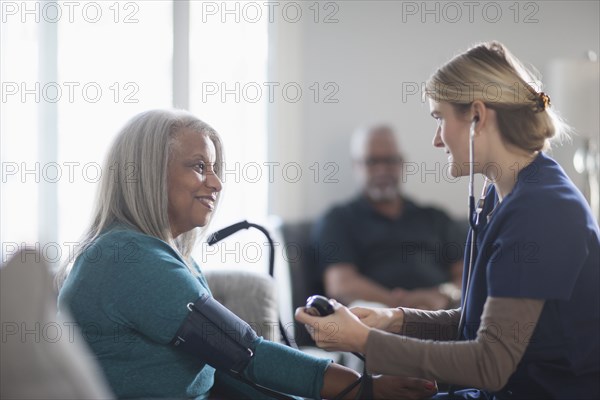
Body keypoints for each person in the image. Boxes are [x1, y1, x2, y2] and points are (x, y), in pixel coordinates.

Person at [55, 109, 438, 400]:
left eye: (216, 168)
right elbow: (245, 352)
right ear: (150, 174)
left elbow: (226, 367)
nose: (217, 182)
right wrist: (364, 389)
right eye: (199, 167)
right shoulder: (129, 259)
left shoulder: (159, 256)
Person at [296, 41, 600, 399]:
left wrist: (365, 340)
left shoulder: (542, 210)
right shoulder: (500, 196)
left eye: (439, 118)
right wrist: (393, 320)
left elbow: (490, 362)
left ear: (477, 117)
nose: (437, 140)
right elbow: (480, 324)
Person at [313, 125, 465, 310]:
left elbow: (466, 276)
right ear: (356, 166)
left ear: (402, 163)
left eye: (390, 160)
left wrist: (442, 296)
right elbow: (341, 285)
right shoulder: (338, 219)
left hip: (441, 316)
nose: (382, 169)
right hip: (374, 320)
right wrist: (403, 307)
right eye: (372, 161)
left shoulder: (435, 217)